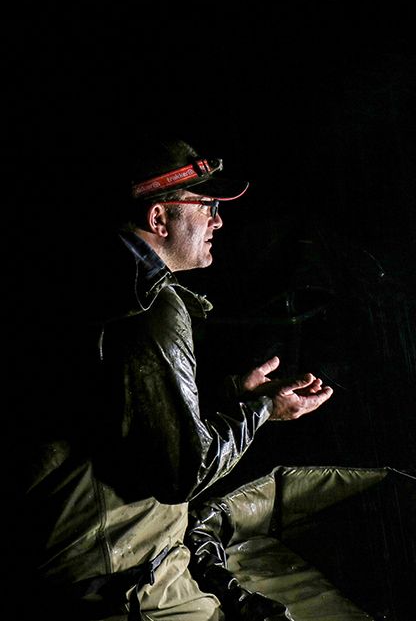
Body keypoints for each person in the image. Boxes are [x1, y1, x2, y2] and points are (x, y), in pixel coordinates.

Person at [25, 140, 332, 620]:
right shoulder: (149, 305)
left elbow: (117, 423)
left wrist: (231, 396)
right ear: (159, 218)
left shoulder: (78, 281)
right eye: (206, 205)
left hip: (72, 571)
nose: (218, 221)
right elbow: (182, 473)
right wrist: (263, 410)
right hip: (128, 586)